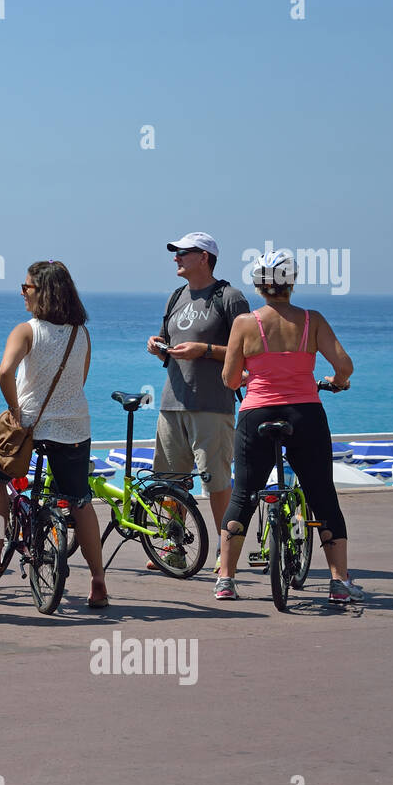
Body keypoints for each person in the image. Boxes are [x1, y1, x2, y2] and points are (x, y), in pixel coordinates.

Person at [217, 250, 364, 604]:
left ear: (258, 285)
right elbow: (345, 366)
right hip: (305, 414)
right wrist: (337, 381)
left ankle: (226, 579)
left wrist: (251, 375)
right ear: (291, 283)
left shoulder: (245, 324)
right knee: (322, 495)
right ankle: (339, 583)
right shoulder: (312, 321)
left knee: (242, 496)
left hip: (257, 416)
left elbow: (229, 378)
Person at [0, 261, 109, 608]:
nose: (22, 292)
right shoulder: (82, 333)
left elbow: (5, 373)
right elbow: (80, 381)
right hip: (75, 426)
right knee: (80, 502)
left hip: (31, 425)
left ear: (42, 292)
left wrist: (17, 411)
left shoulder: (27, 330)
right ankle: (98, 579)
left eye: (27, 287)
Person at [145, 232, 250, 569]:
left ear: (204, 257)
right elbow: (171, 344)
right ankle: (175, 548)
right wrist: (157, 345)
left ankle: (226, 553)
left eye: (183, 253)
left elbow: (247, 353)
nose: (175, 258)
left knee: (216, 482)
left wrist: (203, 350)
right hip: (171, 401)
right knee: (170, 483)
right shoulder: (176, 296)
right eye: (175, 252)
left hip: (212, 404)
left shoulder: (230, 298)